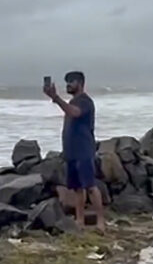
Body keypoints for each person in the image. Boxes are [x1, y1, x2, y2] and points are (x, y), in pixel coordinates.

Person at [44, 71, 106, 232]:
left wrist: (56, 98)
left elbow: (74, 112)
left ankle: (100, 221)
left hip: (84, 150)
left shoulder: (85, 102)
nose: (68, 85)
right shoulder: (73, 101)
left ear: (80, 83)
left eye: (71, 81)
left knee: (90, 186)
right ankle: (80, 220)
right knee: (77, 188)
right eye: (67, 82)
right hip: (72, 151)